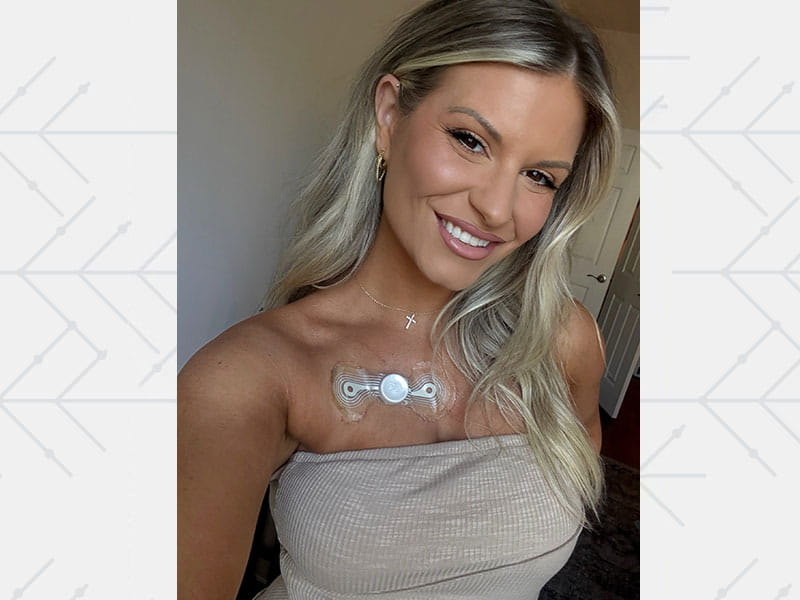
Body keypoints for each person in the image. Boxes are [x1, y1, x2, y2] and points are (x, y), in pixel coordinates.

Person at [178, 0, 620, 598]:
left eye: (539, 176)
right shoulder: (252, 378)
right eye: (470, 140)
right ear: (389, 115)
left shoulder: (563, 341)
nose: (497, 208)